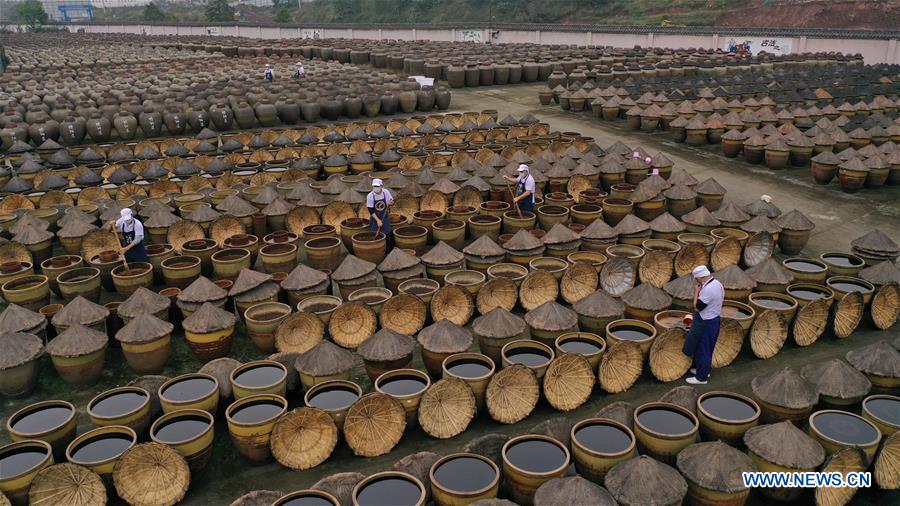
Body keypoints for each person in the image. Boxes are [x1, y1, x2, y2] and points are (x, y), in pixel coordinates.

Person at [682, 265, 724, 385]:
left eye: (697, 279)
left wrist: (696, 292)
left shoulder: (708, 289)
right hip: (714, 318)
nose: (696, 282)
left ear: (700, 278)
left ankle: (701, 378)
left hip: (706, 322)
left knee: (703, 349)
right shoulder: (717, 283)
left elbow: (697, 307)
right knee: (707, 348)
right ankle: (704, 370)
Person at [366, 178, 394, 251]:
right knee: (376, 234)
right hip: (375, 217)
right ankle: (377, 250)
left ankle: (388, 251)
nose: (376, 188)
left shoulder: (386, 192)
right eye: (374, 186)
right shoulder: (370, 196)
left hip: (384, 217)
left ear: (381, 186)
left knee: (387, 234)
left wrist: (391, 203)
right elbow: (371, 210)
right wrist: (378, 220)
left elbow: (391, 201)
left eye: (377, 186)